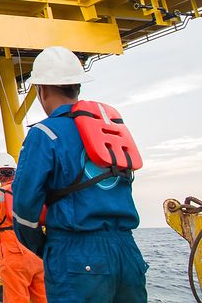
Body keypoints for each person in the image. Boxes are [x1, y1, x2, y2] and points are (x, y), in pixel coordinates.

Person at [12, 46, 148, 303]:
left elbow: (24, 207)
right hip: (128, 253)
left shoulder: (44, 133)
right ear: (78, 87)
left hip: (76, 255)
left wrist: (43, 248)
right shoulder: (113, 131)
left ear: (41, 90)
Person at [0, 153, 46, 303]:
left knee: (16, 298)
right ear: (15, 171)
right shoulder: (33, 192)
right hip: (38, 252)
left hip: (14, 255)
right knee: (44, 297)